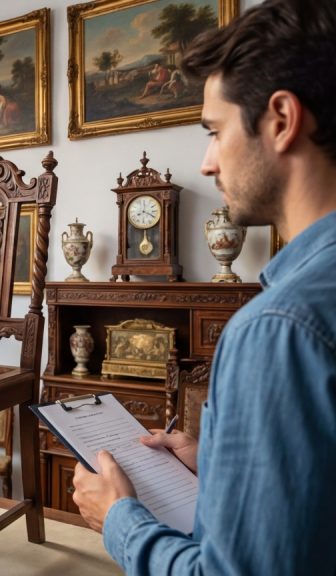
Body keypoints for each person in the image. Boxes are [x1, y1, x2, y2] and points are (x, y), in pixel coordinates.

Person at [72, 1, 336, 574]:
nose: (208, 163)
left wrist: (120, 519)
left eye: (215, 132)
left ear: (282, 120)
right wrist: (218, 463)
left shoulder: (277, 328)